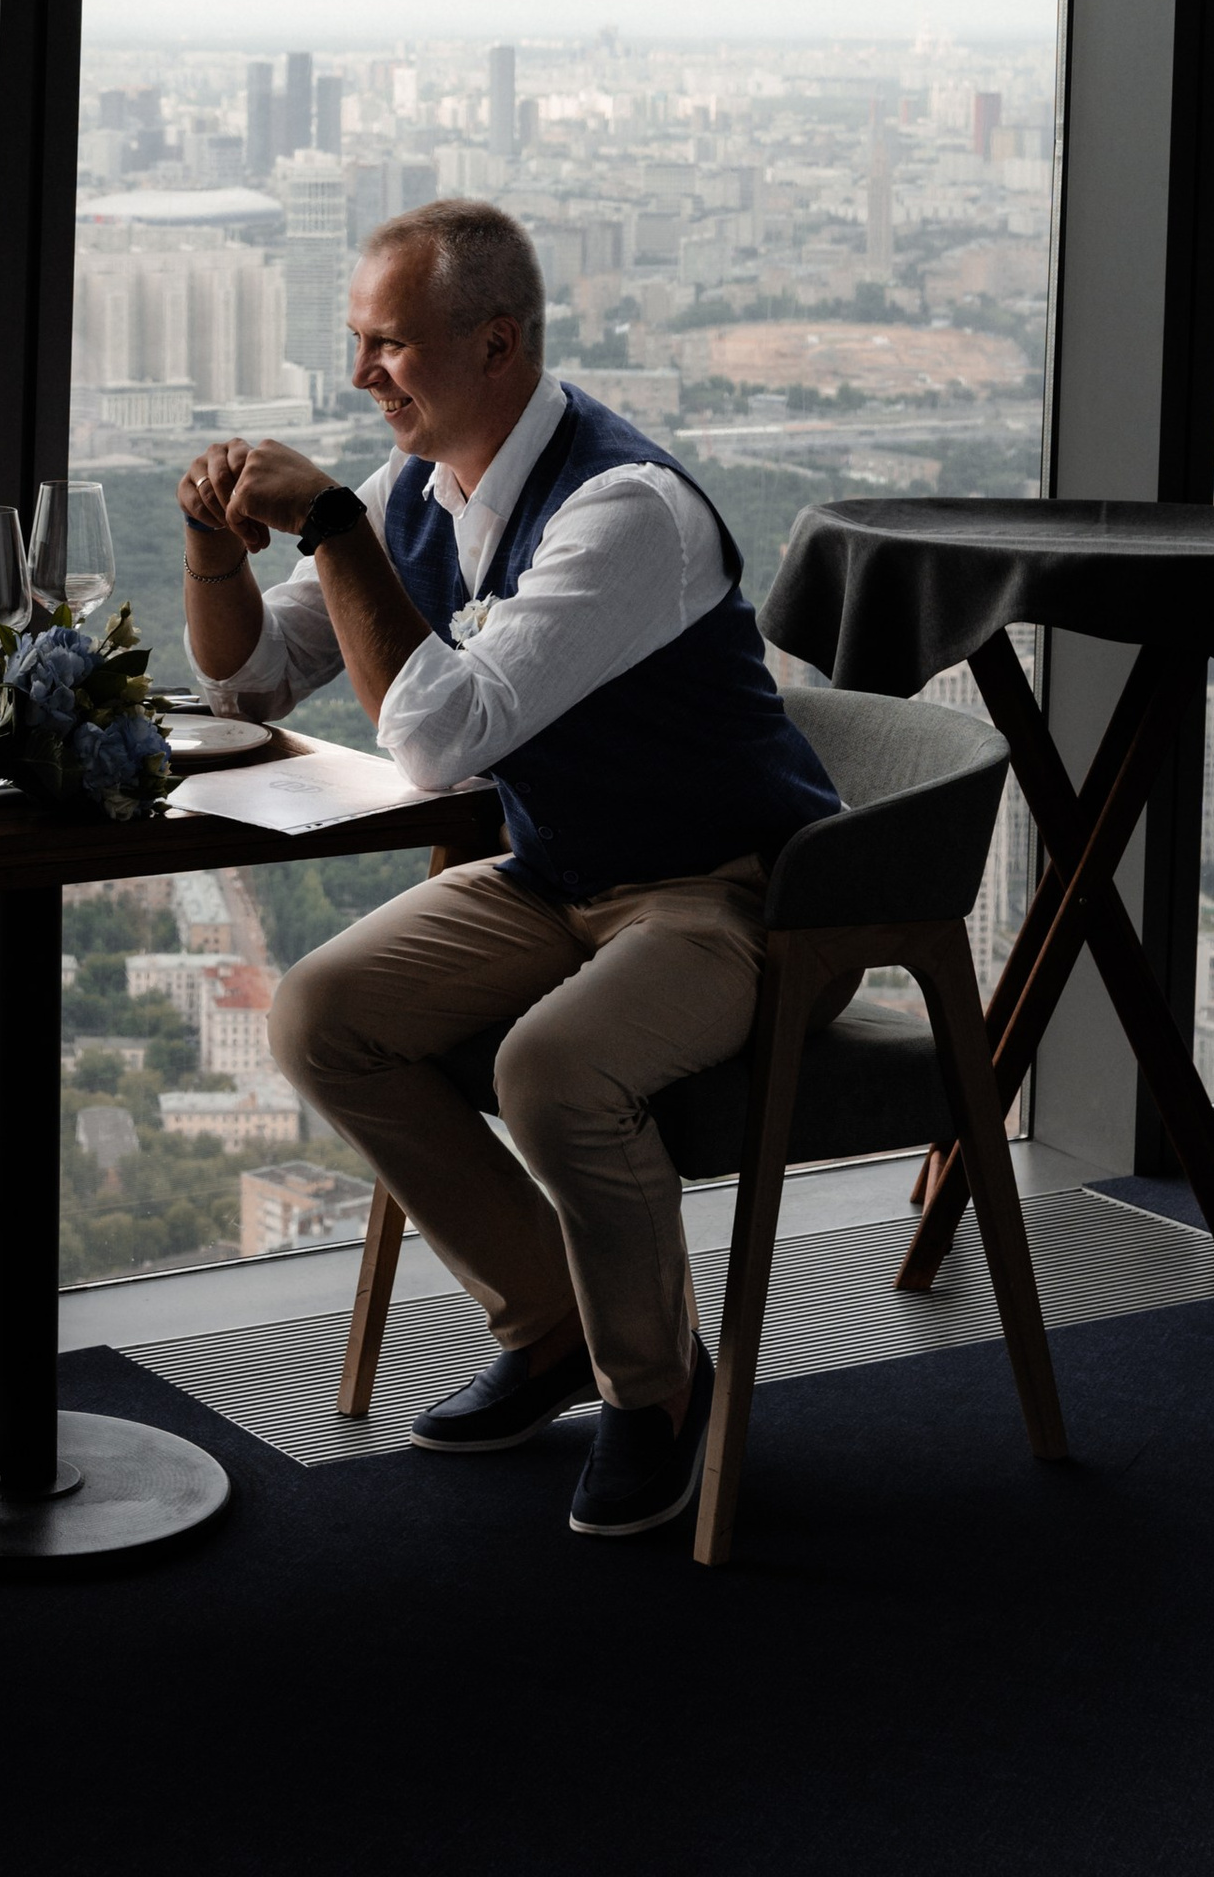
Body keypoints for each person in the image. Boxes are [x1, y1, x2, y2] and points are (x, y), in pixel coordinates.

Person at [179, 198, 838, 1540]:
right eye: (358, 343)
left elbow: (434, 740)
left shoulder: (622, 510)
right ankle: (549, 1328)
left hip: (726, 892)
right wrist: (209, 545)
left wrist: (337, 534)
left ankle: (655, 1392)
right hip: (561, 873)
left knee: (553, 1070)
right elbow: (246, 678)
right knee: (322, 1017)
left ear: (497, 347)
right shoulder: (422, 495)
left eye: (391, 348)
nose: (362, 377)